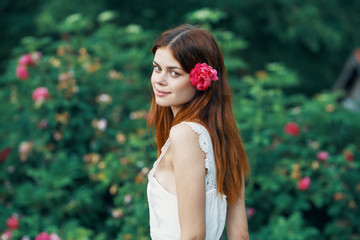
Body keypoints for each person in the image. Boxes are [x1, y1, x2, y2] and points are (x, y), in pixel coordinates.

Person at [147, 24, 250, 240]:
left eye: (174, 73)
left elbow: (193, 236)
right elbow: (240, 235)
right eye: (157, 68)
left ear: (200, 81)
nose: (159, 80)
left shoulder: (185, 135)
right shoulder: (223, 136)